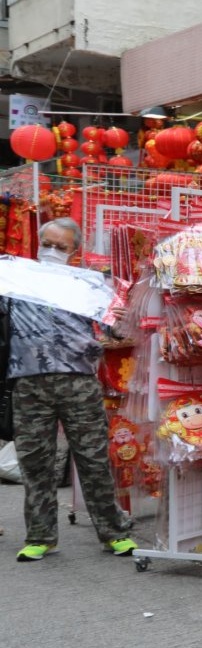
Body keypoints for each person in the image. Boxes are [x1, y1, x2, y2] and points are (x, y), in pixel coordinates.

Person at [9, 218, 135, 561]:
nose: (52, 251)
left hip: (78, 381)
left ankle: (113, 533)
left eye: (61, 247)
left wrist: (117, 317)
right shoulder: (16, 277)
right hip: (28, 382)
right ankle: (40, 536)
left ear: (74, 251)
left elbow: (115, 330)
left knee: (93, 459)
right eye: (47, 244)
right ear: (38, 243)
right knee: (35, 462)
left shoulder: (88, 284)